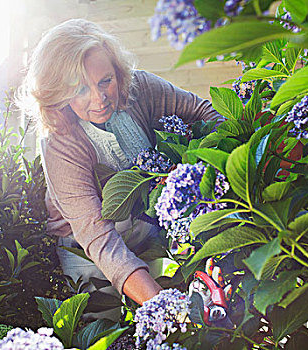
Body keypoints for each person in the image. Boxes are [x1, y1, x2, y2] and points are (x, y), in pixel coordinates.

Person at [19, 18, 222, 312]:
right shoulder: (60, 142)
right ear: (60, 94)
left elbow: (204, 111)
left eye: (105, 81)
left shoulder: (142, 88)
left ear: (117, 72)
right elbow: (98, 236)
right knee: (112, 328)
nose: (99, 99)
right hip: (88, 252)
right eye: (80, 90)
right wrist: (165, 308)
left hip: (146, 230)